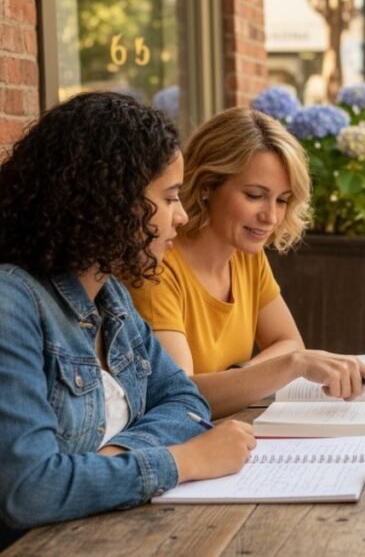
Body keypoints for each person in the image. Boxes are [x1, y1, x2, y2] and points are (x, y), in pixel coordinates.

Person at [0, 92, 254, 549]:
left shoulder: (110, 296)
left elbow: (185, 400)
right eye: (170, 197)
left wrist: (111, 457)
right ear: (113, 200)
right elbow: (31, 490)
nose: (182, 216)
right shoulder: (13, 304)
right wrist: (182, 462)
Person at [128, 107, 365, 419]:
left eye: (282, 200)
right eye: (255, 195)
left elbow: (289, 341)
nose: (271, 217)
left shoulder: (244, 255)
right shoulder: (156, 268)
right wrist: (292, 365)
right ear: (206, 187)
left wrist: (244, 373)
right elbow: (180, 398)